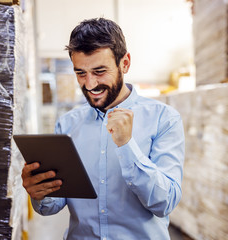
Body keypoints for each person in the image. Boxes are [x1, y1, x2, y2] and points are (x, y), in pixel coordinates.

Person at [21, 17, 185, 240]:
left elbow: (165, 203)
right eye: (80, 73)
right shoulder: (68, 124)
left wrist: (127, 145)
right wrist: (40, 193)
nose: (89, 85)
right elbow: (52, 206)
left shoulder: (164, 119)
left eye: (99, 71)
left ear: (124, 63)